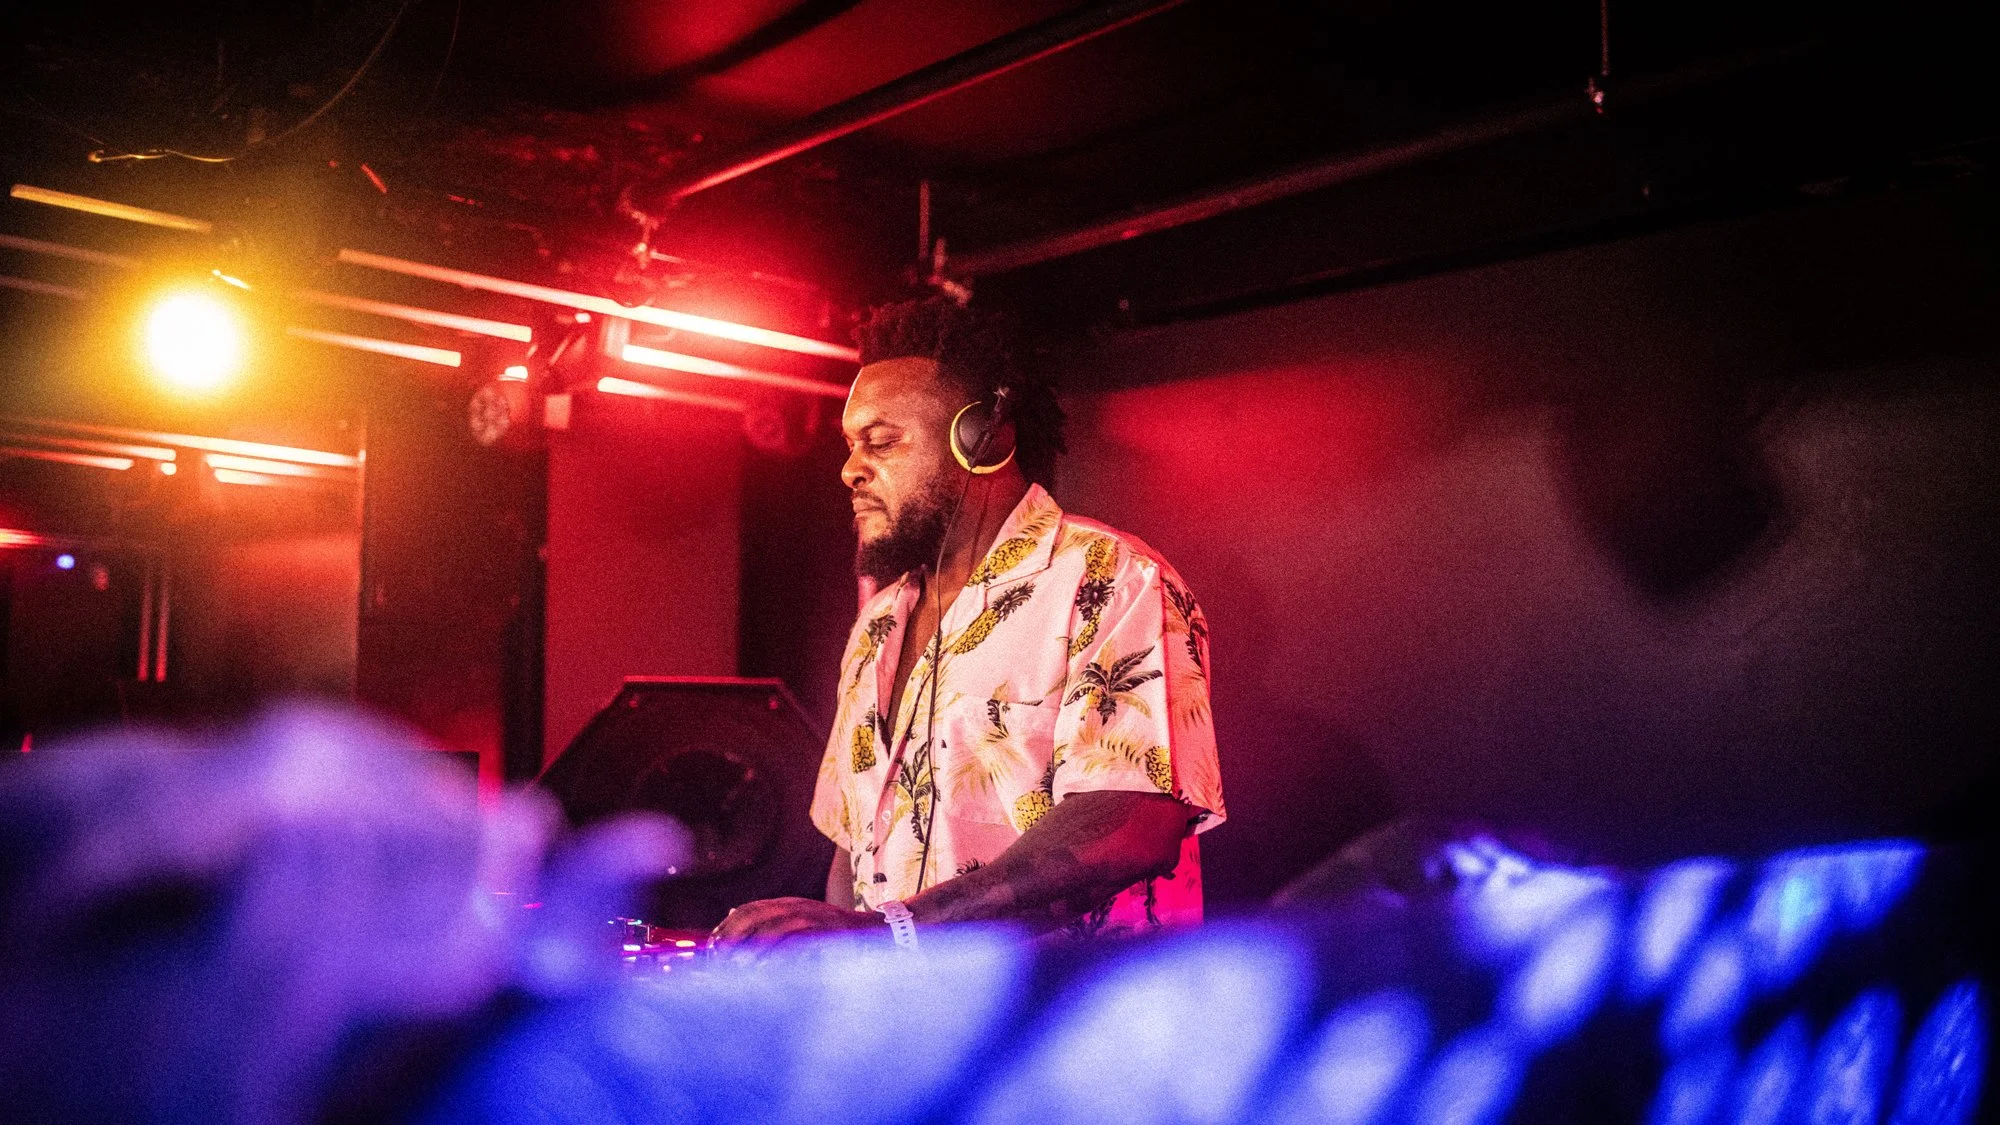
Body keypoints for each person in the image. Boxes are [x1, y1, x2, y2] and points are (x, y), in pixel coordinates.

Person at [712, 296, 1224, 948]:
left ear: (984, 438)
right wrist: (839, 959)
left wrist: (895, 929)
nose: (849, 469)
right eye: (850, 445)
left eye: (882, 441)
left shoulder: (1113, 580)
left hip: (1070, 1008)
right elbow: (854, 853)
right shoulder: (877, 625)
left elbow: (1131, 822)